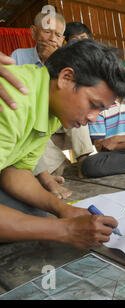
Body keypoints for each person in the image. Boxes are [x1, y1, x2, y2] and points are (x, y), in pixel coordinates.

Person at [0, 39, 125, 248]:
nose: (93, 118)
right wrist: (66, 230)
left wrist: (63, 210)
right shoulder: (13, 100)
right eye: (93, 105)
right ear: (66, 77)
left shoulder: (50, 109)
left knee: (35, 214)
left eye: (100, 110)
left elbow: (14, 170)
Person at [10, 11, 74, 199]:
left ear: (63, 39)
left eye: (58, 35)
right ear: (33, 32)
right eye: (47, 32)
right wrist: (47, 63)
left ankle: (87, 158)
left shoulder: (67, 61)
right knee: (34, 131)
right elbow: (20, 96)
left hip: (58, 120)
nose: (52, 38)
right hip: (31, 119)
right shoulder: (18, 56)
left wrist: (55, 61)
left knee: (78, 110)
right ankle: (45, 177)